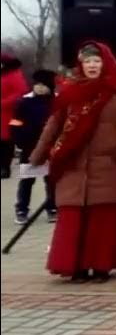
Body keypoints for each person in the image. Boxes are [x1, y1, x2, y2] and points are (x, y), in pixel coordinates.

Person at [28, 42, 116, 281]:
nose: (92, 66)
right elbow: (54, 126)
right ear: (80, 65)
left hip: (111, 165)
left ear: (106, 63)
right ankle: (75, 267)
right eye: (87, 61)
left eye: (97, 61)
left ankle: (101, 266)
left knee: (103, 217)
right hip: (73, 165)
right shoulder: (71, 92)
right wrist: (38, 156)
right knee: (73, 215)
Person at [11, 69, 57, 224]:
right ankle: (22, 209)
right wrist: (19, 138)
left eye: (43, 85)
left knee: (51, 180)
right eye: (37, 84)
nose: (40, 88)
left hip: (51, 148)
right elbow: (15, 123)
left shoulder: (56, 103)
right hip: (29, 146)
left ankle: (52, 207)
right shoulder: (24, 102)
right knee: (27, 180)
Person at [1, 52, 28, 179]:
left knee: (6, 142)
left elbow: (20, 93)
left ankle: (4, 168)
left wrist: (3, 103)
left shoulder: (14, 75)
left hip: (8, 114)